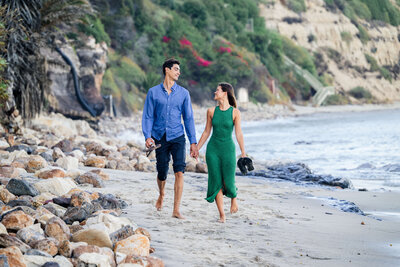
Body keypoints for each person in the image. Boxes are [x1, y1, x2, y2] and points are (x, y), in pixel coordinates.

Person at [142, 58, 198, 219]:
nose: (178, 72)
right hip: (159, 136)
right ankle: (161, 194)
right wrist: (147, 136)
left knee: (179, 171)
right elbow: (147, 116)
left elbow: (188, 118)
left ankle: (176, 210)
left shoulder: (184, 94)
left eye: (179, 70)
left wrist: (193, 142)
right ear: (167, 70)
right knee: (162, 172)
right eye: (176, 69)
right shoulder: (153, 92)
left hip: (178, 136)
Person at [196, 82, 246, 223]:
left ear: (225, 93)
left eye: (217, 90)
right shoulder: (211, 111)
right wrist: (197, 148)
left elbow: (239, 133)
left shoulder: (235, 112)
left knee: (229, 180)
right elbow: (206, 132)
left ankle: (233, 199)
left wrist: (243, 152)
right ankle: (222, 215)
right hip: (213, 150)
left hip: (228, 149)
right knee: (216, 181)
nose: (214, 92)